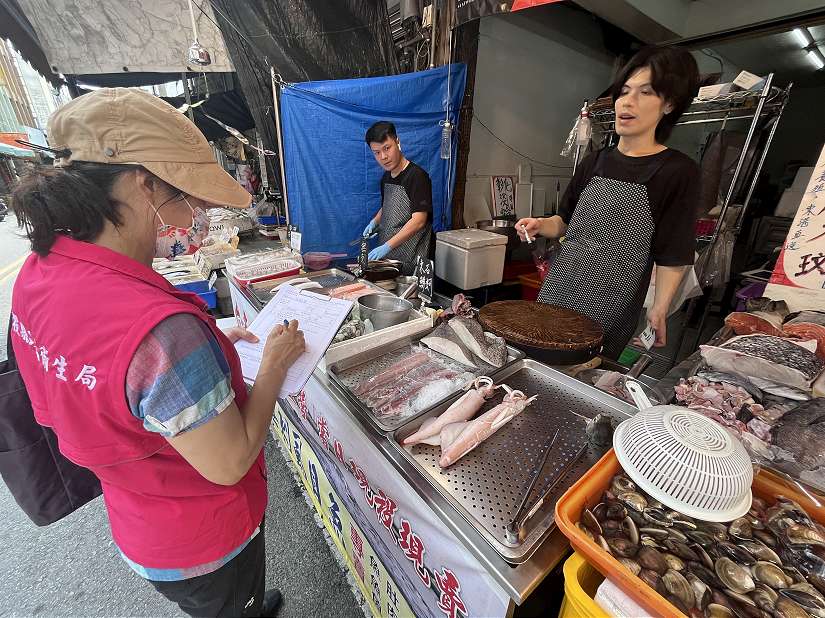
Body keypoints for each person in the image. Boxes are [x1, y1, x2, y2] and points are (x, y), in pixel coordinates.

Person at [9, 88, 305, 617]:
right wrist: (274, 367)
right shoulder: (163, 333)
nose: (199, 213)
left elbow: (112, 385)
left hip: (139, 522)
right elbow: (231, 461)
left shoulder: (38, 273)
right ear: (143, 184)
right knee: (234, 605)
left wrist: (211, 349)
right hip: (206, 538)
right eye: (189, 197)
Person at [517, 46, 700, 358]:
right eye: (624, 91)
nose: (627, 102)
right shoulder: (595, 161)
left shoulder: (677, 171)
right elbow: (564, 221)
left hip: (613, 298)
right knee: (538, 355)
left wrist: (659, 308)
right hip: (561, 284)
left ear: (669, 104)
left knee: (587, 369)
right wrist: (540, 224)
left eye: (645, 92)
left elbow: (674, 251)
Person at [363, 121, 433, 275]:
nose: (383, 157)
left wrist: (387, 246)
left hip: (411, 262)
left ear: (398, 142)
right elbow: (387, 206)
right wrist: (375, 221)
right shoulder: (386, 177)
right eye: (377, 152)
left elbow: (419, 220)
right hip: (389, 262)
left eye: (387, 148)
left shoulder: (417, 177)